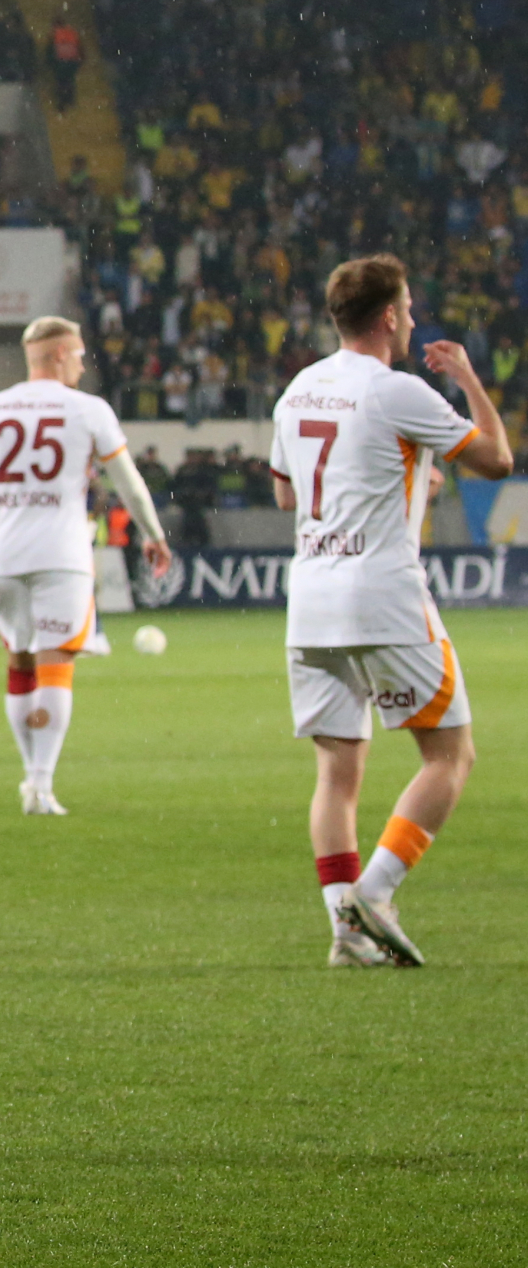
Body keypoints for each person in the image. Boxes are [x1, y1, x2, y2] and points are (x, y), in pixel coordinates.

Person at [270, 254, 513, 968]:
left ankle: (345, 934)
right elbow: (497, 459)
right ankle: (373, 893)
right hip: (382, 595)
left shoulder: (299, 389)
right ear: (386, 318)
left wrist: (400, 478)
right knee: (449, 753)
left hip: (309, 601)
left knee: (337, 771)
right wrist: (467, 379)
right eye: (405, 310)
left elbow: (289, 498)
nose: (409, 320)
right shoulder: (396, 390)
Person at [0, 317, 170, 815]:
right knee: (56, 665)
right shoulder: (88, 409)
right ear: (60, 354)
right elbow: (127, 482)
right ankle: (41, 785)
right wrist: (153, 533)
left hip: (6, 555)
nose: (84, 364)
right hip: (62, 555)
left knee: (20, 663)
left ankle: (31, 776)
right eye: (80, 354)